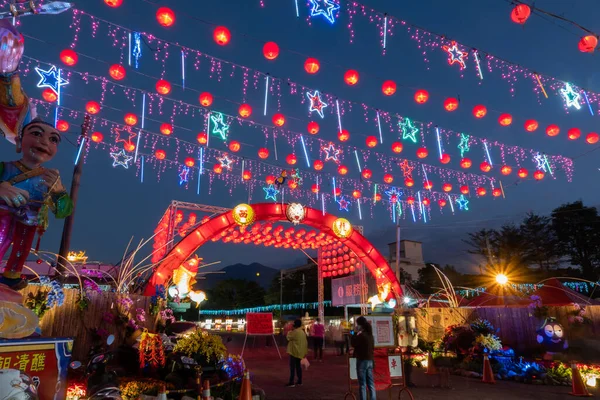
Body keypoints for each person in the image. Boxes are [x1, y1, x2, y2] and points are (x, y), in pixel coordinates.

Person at [0, 118, 72, 289]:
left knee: (22, 248)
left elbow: (64, 211)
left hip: (30, 219)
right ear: (19, 141)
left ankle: (12, 276)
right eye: (36, 133)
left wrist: (59, 191)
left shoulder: (50, 178)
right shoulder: (5, 168)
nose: (45, 142)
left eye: (53, 139)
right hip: (3, 216)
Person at [351, 316, 376, 400]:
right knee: (371, 383)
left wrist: (354, 333)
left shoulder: (361, 335)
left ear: (360, 325)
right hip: (370, 360)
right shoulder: (370, 335)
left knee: (362, 384)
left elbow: (353, 343)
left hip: (362, 360)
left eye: (357, 324)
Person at [286, 319, 307, 387]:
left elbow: (288, 337)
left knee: (292, 368)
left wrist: (290, 331)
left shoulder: (295, 332)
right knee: (298, 367)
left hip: (294, 352)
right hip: (300, 352)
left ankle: (291, 382)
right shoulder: (302, 332)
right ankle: (299, 381)